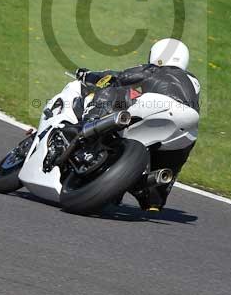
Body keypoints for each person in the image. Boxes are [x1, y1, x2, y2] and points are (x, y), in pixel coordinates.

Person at [74, 38, 200, 211]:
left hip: (155, 106)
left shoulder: (152, 69)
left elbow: (117, 77)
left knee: (113, 92)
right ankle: (154, 196)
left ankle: (87, 124)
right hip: (187, 125)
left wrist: (87, 75)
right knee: (173, 161)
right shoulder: (193, 81)